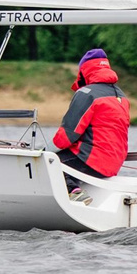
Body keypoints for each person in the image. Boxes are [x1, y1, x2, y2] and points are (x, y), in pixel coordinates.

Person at [51, 48, 129, 179]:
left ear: (84, 71)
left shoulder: (86, 93)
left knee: (49, 164)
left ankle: (74, 191)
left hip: (92, 160)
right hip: (114, 164)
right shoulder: (122, 96)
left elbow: (68, 134)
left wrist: (44, 152)